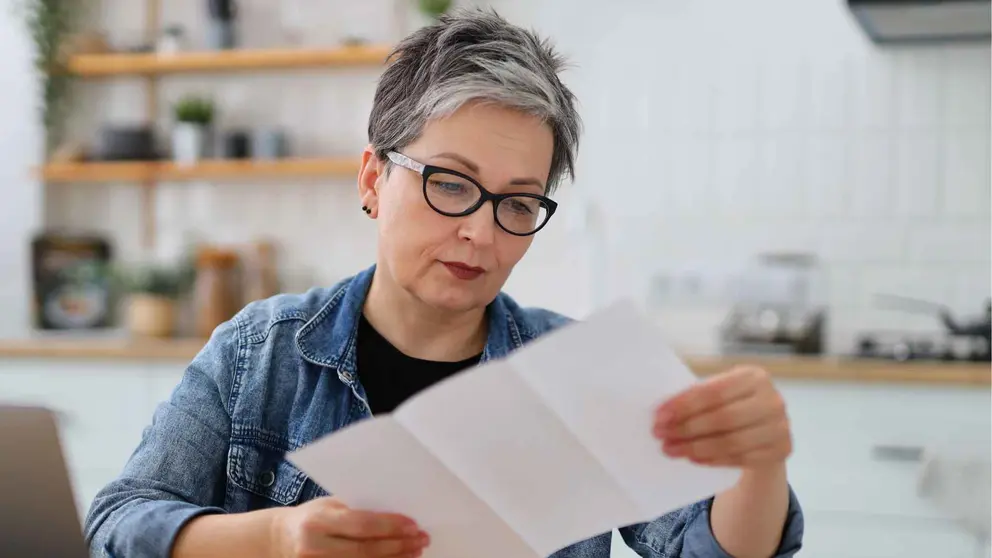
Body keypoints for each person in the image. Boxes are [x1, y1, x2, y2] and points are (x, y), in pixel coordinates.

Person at [84, 8, 803, 558]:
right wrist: (274, 537)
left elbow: (704, 547)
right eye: (451, 185)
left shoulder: (580, 374)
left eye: (519, 202)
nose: (483, 234)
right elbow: (119, 523)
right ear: (373, 178)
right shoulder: (259, 355)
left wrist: (758, 467)